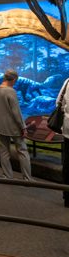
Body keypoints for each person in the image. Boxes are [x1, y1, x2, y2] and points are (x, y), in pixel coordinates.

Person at [0, 70, 32, 180]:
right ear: (14, 79)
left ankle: (7, 176)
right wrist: (23, 127)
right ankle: (27, 178)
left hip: (0, 126)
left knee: (4, 151)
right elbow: (16, 112)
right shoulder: (11, 91)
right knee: (22, 151)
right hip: (14, 127)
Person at [57, 77, 69, 207]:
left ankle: (67, 197)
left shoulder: (67, 81)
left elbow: (58, 103)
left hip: (68, 130)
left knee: (67, 163)